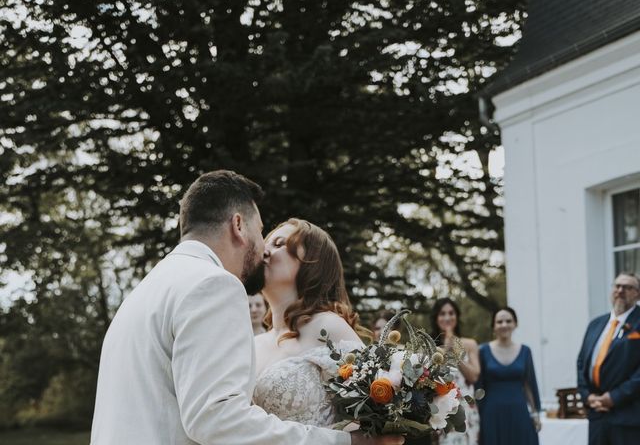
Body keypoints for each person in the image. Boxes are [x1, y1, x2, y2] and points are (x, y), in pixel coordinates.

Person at [90, 170, 403, 445]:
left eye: (279, 244)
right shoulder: (212, 285)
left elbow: (374, 409)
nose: (263, 246)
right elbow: (216, 418)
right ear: (238, 225)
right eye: (262, 232)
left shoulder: (145, 291)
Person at [253, 218, 365, 426]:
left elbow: (371, 418)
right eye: (264, 244)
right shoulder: (254, 343)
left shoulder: (328, 327)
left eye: (278, 244)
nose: (264, 252)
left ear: (312, 263)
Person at [576, 272, 640, 445]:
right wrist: (587, 396)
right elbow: (582, 363)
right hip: (597, 416)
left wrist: (614, 397)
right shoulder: (596, 324)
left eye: (627, 287)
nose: (620, 291)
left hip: (628, 416)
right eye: (617, 286)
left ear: (637, 294)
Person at [477, 307, 541, 445]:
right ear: (493, 326)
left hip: (519, 412)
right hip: (491, 413)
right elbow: (478, 385)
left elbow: (529, 384)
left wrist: (535, 413)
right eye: (499, 322)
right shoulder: (482, 351)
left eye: (508, 321)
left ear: (515, 324)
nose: (504, 325)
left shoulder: (525, 351)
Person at [430, 298, 480, 445]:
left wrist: (455, 354)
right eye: (442, 313)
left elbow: (474, 376)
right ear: (436, 318)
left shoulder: (470, 344)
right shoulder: (429, 347)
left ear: (457, 316)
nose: (447, 317)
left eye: (451, 313)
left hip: (466, 409)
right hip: (440, 410)